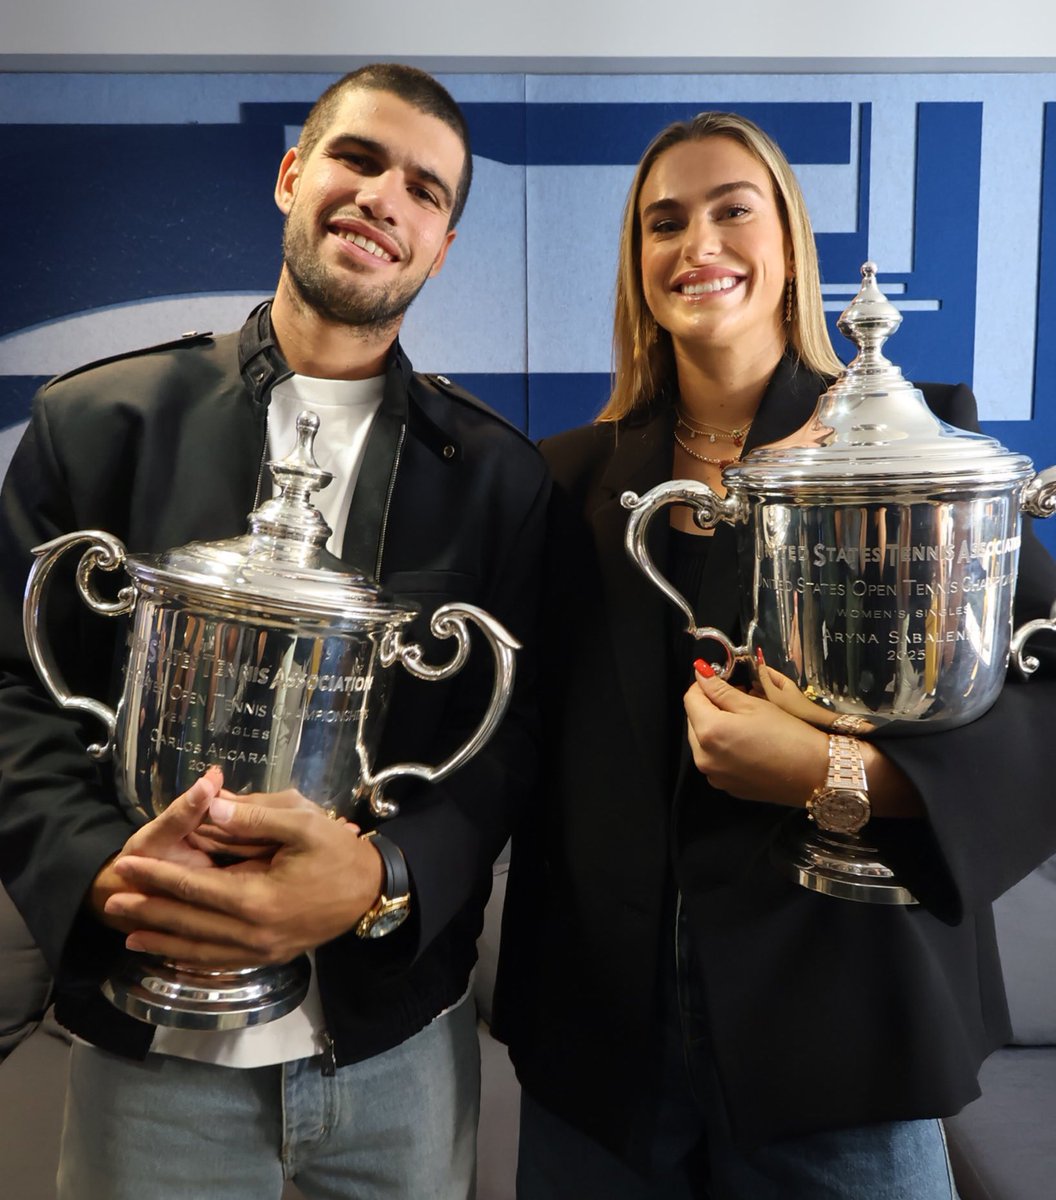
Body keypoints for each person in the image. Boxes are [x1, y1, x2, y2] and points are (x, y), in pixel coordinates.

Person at [0, 63, 549, 1200]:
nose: (382, 196)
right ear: (294, 174)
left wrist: (382, 874)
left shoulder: (498, 478)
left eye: (425, 188)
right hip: (150, 1052)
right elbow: (10, 691)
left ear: (441, 244)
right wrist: (104, 873)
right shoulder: (97, 420)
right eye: (356, 157)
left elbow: (510, 743)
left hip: (393, 1046)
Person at [494, 111, 1056, 1199]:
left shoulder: (922, 435)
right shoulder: (561, 481)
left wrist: (843, 779)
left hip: (845, 1037)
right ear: (638, 268)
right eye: (664, 223)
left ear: (790, 246)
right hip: (602, 1055)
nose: (697, 243)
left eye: (730, 210)